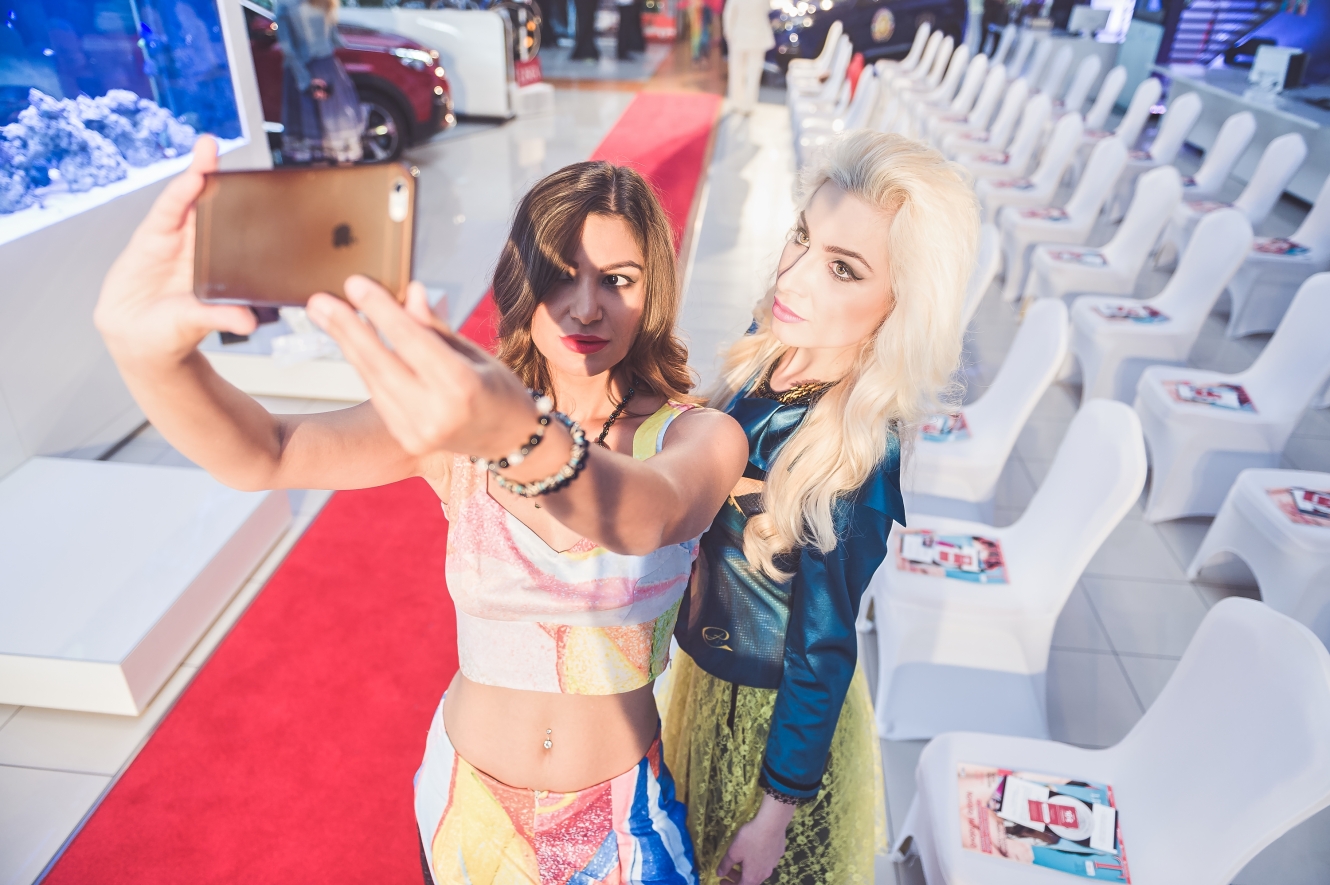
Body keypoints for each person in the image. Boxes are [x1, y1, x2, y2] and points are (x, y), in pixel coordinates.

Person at [93, 138, 751, 884]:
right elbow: (268, 452)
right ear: (521, 281)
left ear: (653, 289)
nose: (586, 305)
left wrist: (513, 433)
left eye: (618, 279)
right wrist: (149, 356)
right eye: (560, 275)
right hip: (466, 813)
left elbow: (650, 514)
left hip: (622, 824)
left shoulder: (698, 435)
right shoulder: (461, 430)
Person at [662, 131, 979, 884]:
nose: (794, 277)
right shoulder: (771, 344)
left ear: (899, 306)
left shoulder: (856, 453)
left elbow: (823, 647)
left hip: (774, 733)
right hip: (707, 681)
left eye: (843, 269)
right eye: (802, 236)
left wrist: (774, 814)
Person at [273, 0, 364, 164]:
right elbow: (288, 48)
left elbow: (332, 36)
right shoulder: (286, 4)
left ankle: (334, 165)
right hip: (308, 69)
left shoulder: (318, 2)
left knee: (330, 134)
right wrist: (304, 79)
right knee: (318, 137)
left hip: (323, 68)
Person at [721, 0, 774, 115]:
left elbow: (729, 15)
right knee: (753, 72)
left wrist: (729, 34)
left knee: (737, 71)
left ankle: (737, 101)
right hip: (757, 36)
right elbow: (767, 9)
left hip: (739, 36)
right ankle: (748, 104)